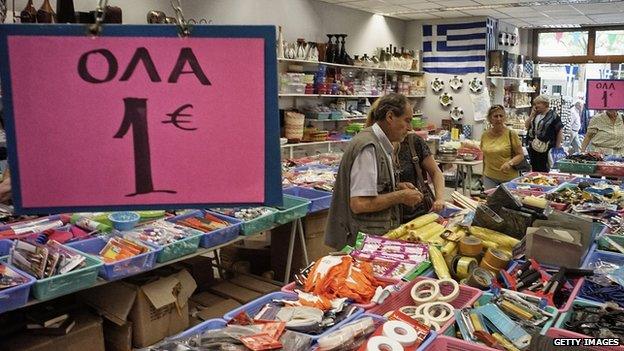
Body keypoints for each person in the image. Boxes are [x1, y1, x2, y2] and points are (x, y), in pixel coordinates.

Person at [325, 93, 423, 249]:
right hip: (358, 241)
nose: (410, 128)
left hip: (368, 238)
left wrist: (395, 188)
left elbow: (372, 188)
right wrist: (400, 196)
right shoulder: (368, 147)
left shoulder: (380, 145)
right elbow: (359, 204)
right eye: (407, 120)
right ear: (390, 117)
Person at [462, 105, 526, 190]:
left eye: (501, 116)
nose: (499, 119)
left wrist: (509, 163)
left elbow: (520, 155)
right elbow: (485, 156)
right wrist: (483, 174)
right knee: (491, 201)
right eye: (495, 116)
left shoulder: (511, 134)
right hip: (489, 176)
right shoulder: (485, 135)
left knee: (507, 202)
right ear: (490, 119)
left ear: (504, 118)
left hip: (508, 178)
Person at [393, 133, 445, 223]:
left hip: (418, 213)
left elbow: (436, 172)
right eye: (406, 120)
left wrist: (439, 199)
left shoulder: (413, 142)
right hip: (388, 217)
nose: (410, 127)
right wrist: (398, 187)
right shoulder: (375, 145)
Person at [525, 95, 563, 172]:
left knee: (544, 168)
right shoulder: (536, 115)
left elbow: (559, 131)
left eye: (538, 103)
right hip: (533, 146)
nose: (536, 106)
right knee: (535, 167)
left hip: (547, 146)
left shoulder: (553, 115)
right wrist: (532, 115)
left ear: (545, 104)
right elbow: (526, 125)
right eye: (535, 104)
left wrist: (557, 147)